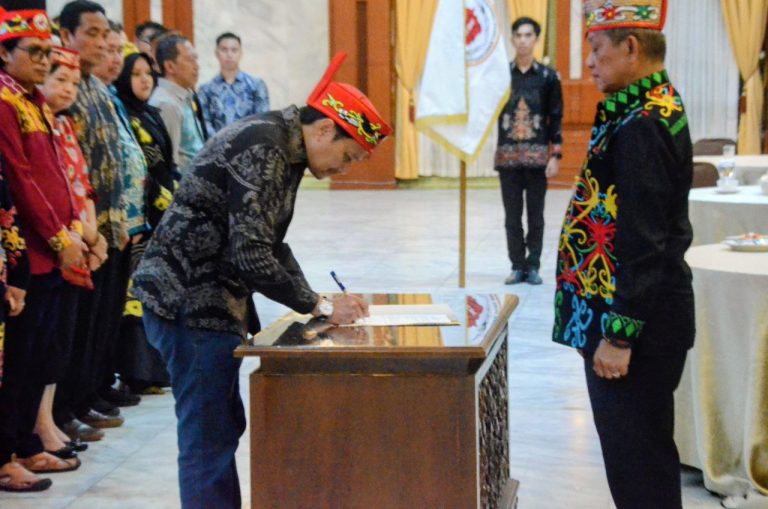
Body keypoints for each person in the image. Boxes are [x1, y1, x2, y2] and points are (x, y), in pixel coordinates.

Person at [132, 52, 392, 509]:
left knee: (219, 428)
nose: (343, 169)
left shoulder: (285, 147)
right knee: (207, 439)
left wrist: (317, 298)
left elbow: (272, 242)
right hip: (189, 301)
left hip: (211, 301)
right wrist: (319, 305)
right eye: (347, 156)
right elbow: (251, 254)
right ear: (324, 129)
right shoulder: (265, 147)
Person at [552, 1, 694, 508]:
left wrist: (618, 335)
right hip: (641, 318)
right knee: (642, 463)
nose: (590, 62)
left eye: (596, 49)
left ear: (631, 47)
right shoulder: (646, 107)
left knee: (639, 472)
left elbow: (643, 240)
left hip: (637, 329)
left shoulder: (643, 124)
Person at [0, 5, 85, 483]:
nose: (42, 61)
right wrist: (57, 236)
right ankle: (7, 453)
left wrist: (71, 231)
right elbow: (21, 179)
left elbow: (56, 175)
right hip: (27, 252)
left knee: (39, 356)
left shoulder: (34, 102)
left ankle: (27, 444)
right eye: (33, 52)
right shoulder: (5, 103)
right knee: (19, 359)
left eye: (46, 52)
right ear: (4, 52)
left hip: (51, 251)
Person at [37, 44, 108, 462]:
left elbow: (81, 182)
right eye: (59, 79)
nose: (68, 89)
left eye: (74, 83)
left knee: (63, 340)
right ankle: (40, 424)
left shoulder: (62, 124)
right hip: (55, 244)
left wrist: (93, 235)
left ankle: (48, 418)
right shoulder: (33, 120)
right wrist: (79, 235)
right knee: (45, 343)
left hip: (80, 238)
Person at [59, 0, 128, 431]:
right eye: (92, 33)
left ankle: (88, 394)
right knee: (76, 326)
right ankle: (66, 405)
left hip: (108, 228)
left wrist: (118, 223)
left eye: (106, 34)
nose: (102, 43)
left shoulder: (98, 87)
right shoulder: (62, 87)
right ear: (66, 36)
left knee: (100, 321)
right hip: (80, 231)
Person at [113, 51, 175, 394]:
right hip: (139, 218)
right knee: (134, 297)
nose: (144, 79)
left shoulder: (150, 113)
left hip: (162, 214)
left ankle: (156, 369)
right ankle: (137, 372)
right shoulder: (121, 113)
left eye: (148, 73)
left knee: (156, 292)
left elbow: (165, 163)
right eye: (136, 73)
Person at [495, 16, 562, 286]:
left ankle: (533, 265)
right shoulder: (501, 76)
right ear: (512, 40)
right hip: (507, 158)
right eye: (518, 36)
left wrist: (555, 155)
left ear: (536, 39)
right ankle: (517, 265)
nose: (523, 41)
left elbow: (555, 116)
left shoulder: (548, 77)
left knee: (536, 216)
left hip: (537, 160)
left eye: (528, 35)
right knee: (512, 217)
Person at [149, 33, 204, 173]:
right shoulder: (166, 103)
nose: (197, 66)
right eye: (190, 60)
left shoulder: (185, 96)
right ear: (170, 66)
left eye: (196, 59)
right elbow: (170, 163)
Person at [198, 32, 270, 135]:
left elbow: (263, 120)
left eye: (234, 50)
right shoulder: (206, 90)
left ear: (241, 53)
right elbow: (205, 123)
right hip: (216, 143)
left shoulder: (256, 86)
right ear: (216, 53)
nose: (229, 54)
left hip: (250, 142)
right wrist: (220, 142)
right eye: (224, 50)